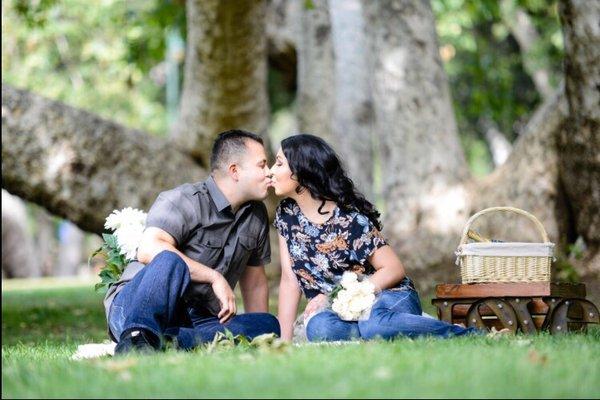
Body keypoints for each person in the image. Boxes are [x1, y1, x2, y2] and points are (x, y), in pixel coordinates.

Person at [270, 134, 480, 342]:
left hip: (389, 296)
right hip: (342, 311)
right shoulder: (286, 215)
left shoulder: (349, 220)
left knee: (374, 324)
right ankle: (401, 326)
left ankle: (463, 334)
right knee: (319, 327)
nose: (271, 171)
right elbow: (290, 281)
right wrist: (283, 342)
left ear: (302, 172)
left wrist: (334, 296)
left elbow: (394, 269)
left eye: (278, 164)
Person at [104, 129, 280, 354]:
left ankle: (169, 341)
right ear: (234, 171)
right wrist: (213, 277)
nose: (269, 173)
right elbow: (148, 249)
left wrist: (260, 339)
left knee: (267, 325)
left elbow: (255, 283)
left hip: (194, 319)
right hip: (136, 307)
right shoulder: (183, 200)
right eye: (262, 165)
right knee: (168, 259)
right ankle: (138, 335)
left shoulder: (256, 215)